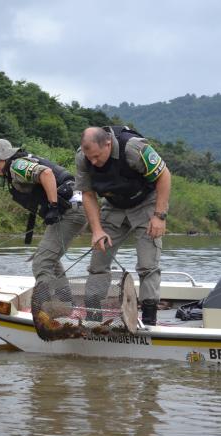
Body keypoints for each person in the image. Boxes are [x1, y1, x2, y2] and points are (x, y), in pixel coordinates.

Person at [75, 126, 171, 325]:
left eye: (97, 156)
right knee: (98, 262)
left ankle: (149, 319)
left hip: (146, 204)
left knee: (147, 265)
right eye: (89, 157)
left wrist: (159, 216)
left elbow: (164, 175)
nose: (94, 162)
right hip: (113, 205)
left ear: (108, 144)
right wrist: (97, 230)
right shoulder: (83, 157)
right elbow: (87, 194)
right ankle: (93, 316)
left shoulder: (133, 149)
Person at [0, 139, 87, 302]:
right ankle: (66, 302)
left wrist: (53, 206)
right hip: (74, 208)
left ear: (6, 155)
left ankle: (48, 307)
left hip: (70, 210)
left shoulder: (16, 165)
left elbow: (46, 173)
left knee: (41, 263)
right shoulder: (16, 166)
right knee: (49, 259)